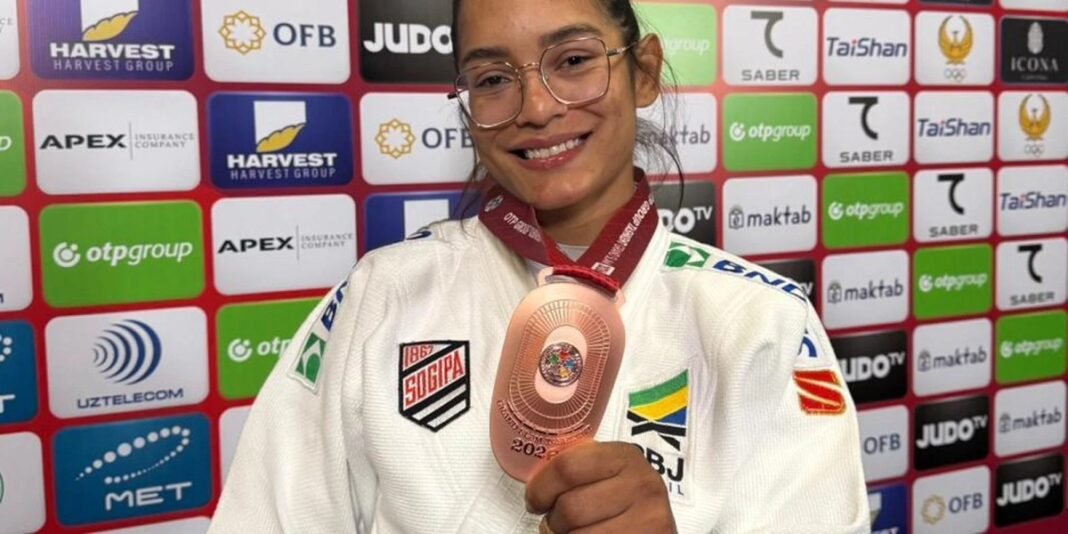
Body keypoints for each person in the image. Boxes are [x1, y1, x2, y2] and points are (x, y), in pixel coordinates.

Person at [209, 0, 870, 532]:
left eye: (573, 60)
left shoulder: (760, 320)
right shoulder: (383, 296)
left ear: (643, 72)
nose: (537, 107)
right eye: (493, 79)